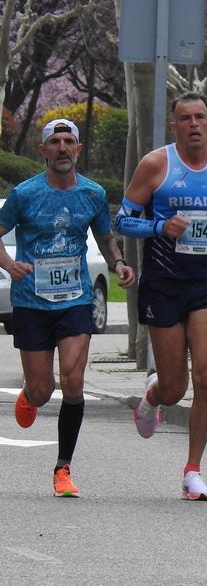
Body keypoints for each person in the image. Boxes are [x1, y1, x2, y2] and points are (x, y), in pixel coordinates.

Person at [114, 92, 207, 501]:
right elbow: (123, 219)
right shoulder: (156, 165)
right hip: (162, 283)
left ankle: (192, 470)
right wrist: (160, 228)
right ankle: (154, 394)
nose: (193, 124)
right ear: (174, 126)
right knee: (175, 388)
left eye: (200, 117)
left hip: (205, 285)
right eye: (185, 118)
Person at [0, 118, 136, 497]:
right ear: (42, 151)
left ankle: (63, 468)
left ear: (78, 149)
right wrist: (10, 265)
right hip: (31, 301)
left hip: (75, 300)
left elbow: (106, 237)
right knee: (44, 390)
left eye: (69, 141)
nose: (62, 148)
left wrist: (119, 263)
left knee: (73, 379)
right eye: (55, 142)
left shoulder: (91, 195)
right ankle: (31, 394)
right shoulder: (25, 194)